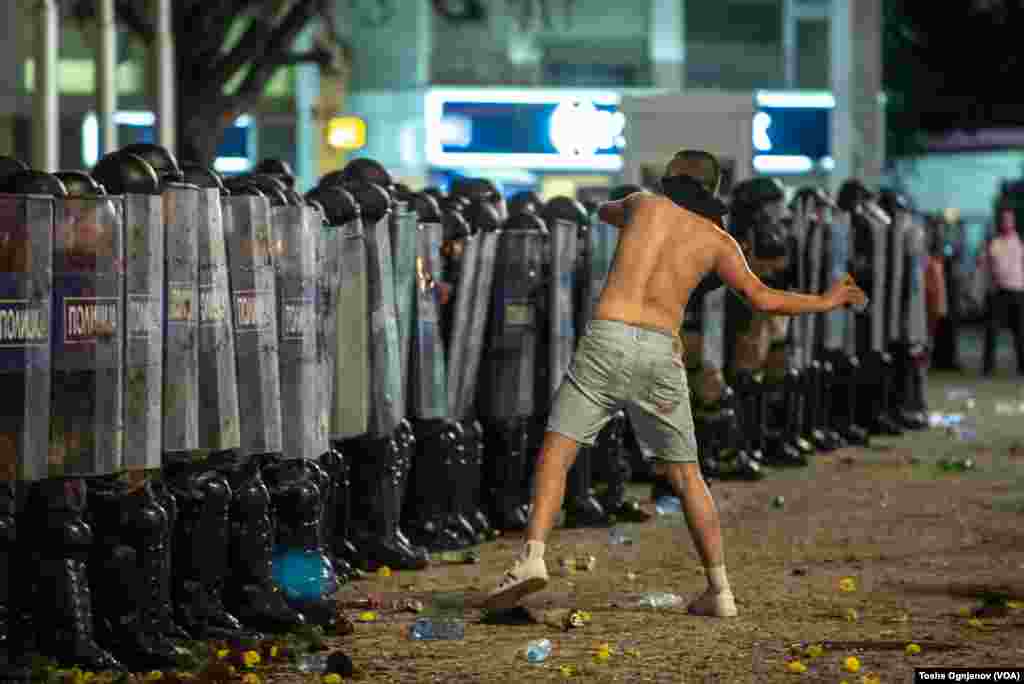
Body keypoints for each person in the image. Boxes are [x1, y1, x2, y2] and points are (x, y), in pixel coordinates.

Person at [483, 150, 867, 617]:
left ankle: (532, 558)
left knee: (557, 453)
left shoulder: (642, 205)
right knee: (688, 477)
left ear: (671, 178)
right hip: (661, 351)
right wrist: (827, 300)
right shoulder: (719, 242)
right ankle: (720, 590)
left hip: (608, 338)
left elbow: (605, 211)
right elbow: (763, 298)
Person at [981, 208, 1024, 376]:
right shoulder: (994, 243)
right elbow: (986, 266)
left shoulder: (1019, 242)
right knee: (992, 330)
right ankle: (988, 368)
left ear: (1013, 222)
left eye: (1009, 219)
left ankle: (1022, 367)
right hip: (998, 292)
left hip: (1018, 290)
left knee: (1020, 331)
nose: (1006, 222)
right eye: (1004, 219)